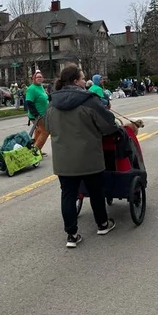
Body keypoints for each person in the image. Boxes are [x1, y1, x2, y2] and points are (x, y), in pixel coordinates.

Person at [45, 63, 118, 248]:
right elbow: (108, 124)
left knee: (68, 195)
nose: (85, 81)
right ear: (76, 81)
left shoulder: (52, 102)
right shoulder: (89, 101)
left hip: (63, 159)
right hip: (89, 156)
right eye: (83, 77)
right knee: (96, 191)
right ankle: (102, 224)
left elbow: (48, 127)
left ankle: (72, 234)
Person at [26, 71, 50, 154]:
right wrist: (36, 114)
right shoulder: (31, 89)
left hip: (43, 114)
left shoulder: (41, 87)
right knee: (45, 131)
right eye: (37, 77)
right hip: (37, 115)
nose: (39, 78)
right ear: (34, 79)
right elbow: (29, 102)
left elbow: (45, 97)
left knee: (39, 131)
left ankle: (36, 148)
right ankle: (35, 151)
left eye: (41, 77)